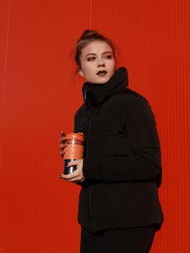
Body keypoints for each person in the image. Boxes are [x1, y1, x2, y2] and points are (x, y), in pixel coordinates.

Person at [60, 30, 164, 253]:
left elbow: (149, 163)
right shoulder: (82, 114)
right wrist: (77, 167)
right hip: (92, 223)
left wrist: (90, 167)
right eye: (91, 58)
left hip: (129, 220)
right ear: (80, 70)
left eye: (107, 56)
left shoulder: (132, 104)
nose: (101, 63)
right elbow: (94, 173)